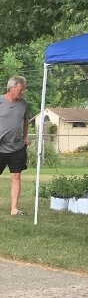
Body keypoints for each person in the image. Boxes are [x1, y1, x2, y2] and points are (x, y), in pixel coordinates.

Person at [0, 76, 30, 216]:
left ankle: (14, 209)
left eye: (23, 89)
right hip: (0, 147)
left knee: (16, 176)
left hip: (17, 147)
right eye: (20, 89)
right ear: (11, 88)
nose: (22, 92)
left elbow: (25, 121)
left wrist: (25, 136)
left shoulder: (23, 104)